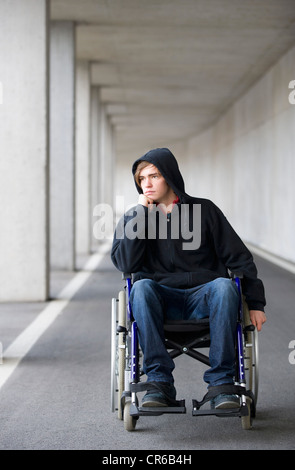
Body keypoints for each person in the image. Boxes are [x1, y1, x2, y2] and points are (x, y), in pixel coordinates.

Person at [111, 148, 266, 409]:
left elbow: (239, 258)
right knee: (142, 287)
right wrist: (139, 216)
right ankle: (159, 382)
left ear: (170, 176)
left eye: (154, 176)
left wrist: (256, 302)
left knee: (224, 287)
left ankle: (221, 384)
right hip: (160, 300)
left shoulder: (205, 211)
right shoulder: (134, 217)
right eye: (142, 179)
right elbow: (126, 264)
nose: (146, 184)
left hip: (203, 298)